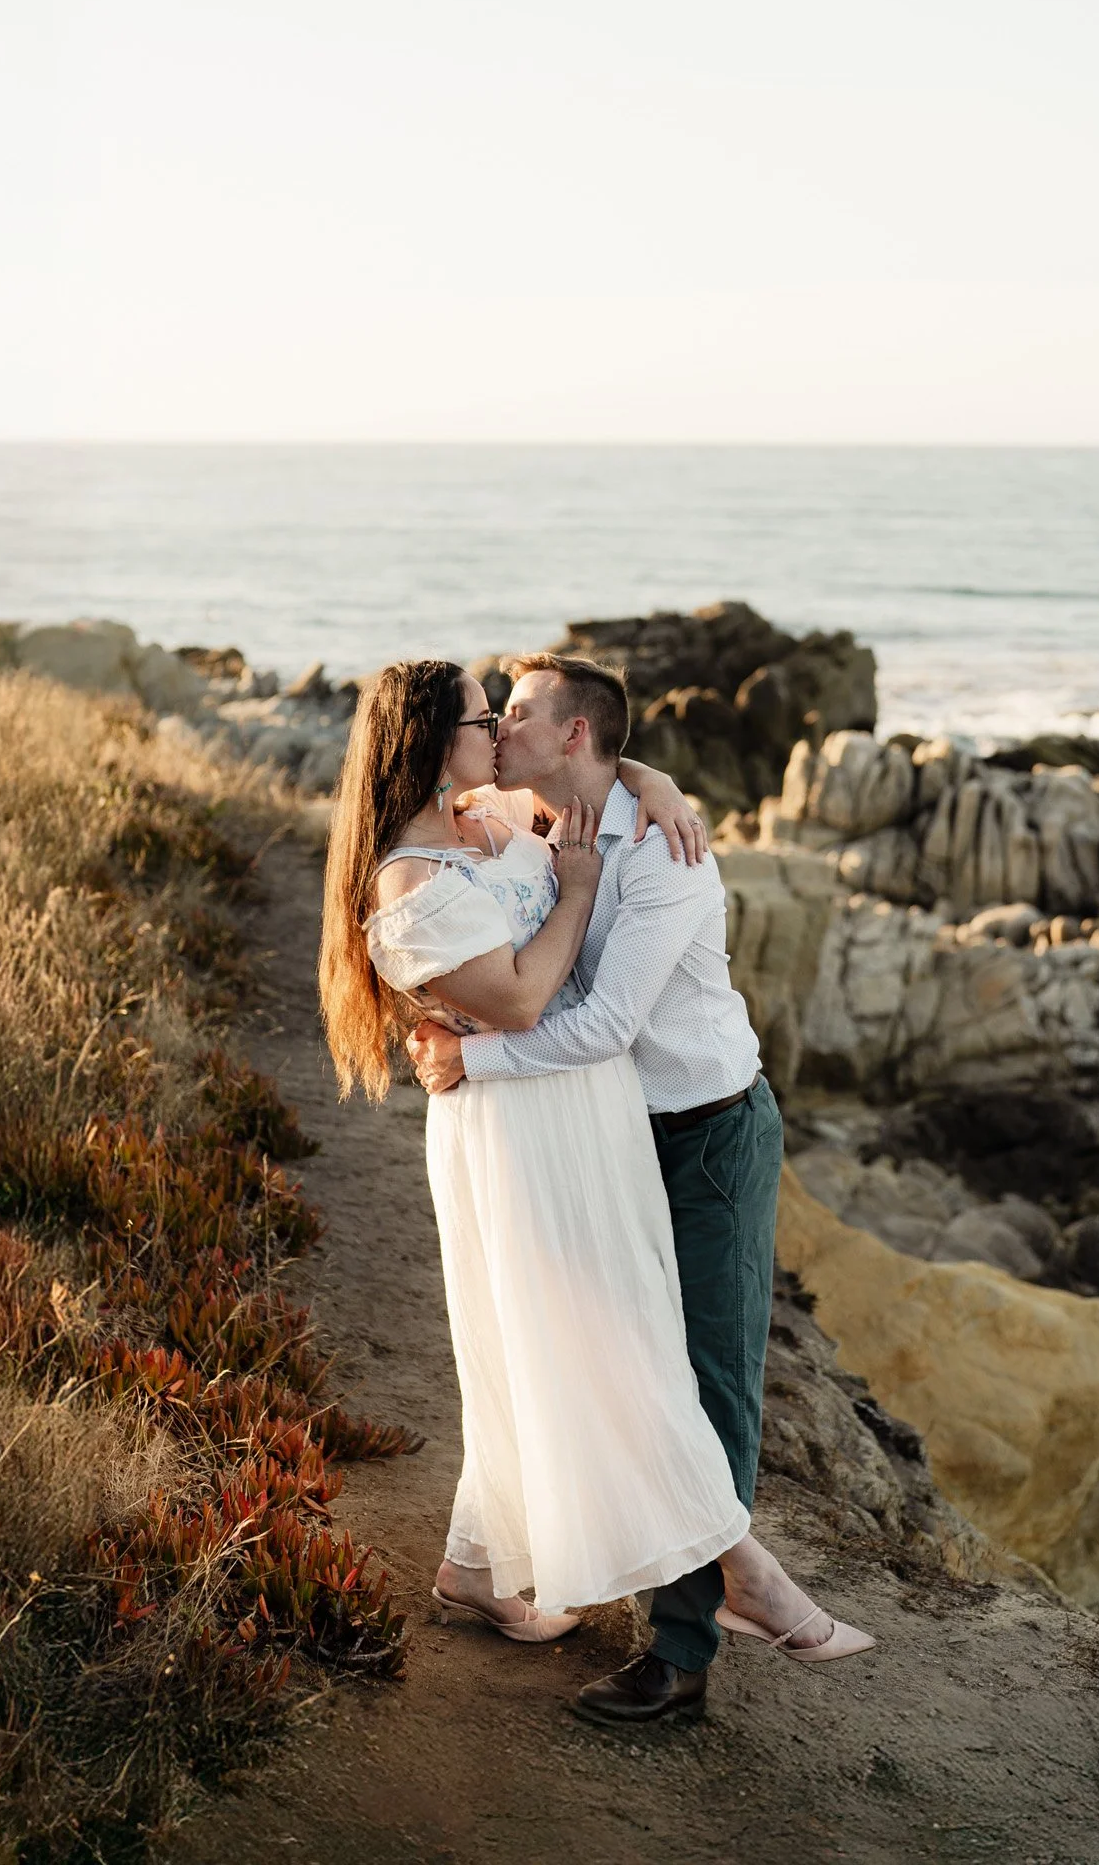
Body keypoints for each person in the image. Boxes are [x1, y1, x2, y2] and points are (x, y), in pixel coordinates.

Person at [407, 652, 875, 1725]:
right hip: (603, 1138)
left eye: (518, 713)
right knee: (609, 1360)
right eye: (494, 714)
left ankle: (680, 1654)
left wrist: (472, 1058)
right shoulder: (526, 814)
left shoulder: (668, 853)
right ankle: (521, 1559)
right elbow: (436, 819)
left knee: (706, 1381)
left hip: (706, 1136)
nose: (498, 727)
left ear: (572, 734)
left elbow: (609, 1024)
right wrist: (645, 772)